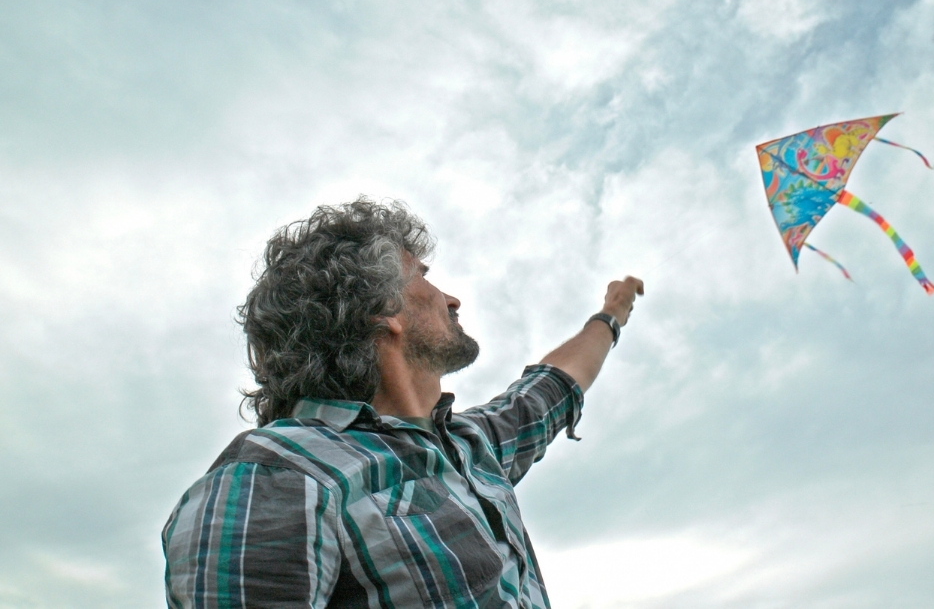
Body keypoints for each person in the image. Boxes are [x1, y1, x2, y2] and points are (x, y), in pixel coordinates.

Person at [162, 198, 643, 608]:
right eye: (424, 276)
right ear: (382, 311)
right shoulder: (282, 473)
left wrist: (611, 314)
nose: (451, 298)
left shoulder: (471, 448)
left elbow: (555, 383)